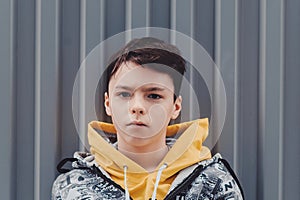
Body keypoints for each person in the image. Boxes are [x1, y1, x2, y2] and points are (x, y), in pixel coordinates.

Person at [52, 37, 244, 200]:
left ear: (175, 107)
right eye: (125, 95)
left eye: (153, 96)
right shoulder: (73, 186)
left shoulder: (214, 182)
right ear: (107, 103)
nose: (137, 107)